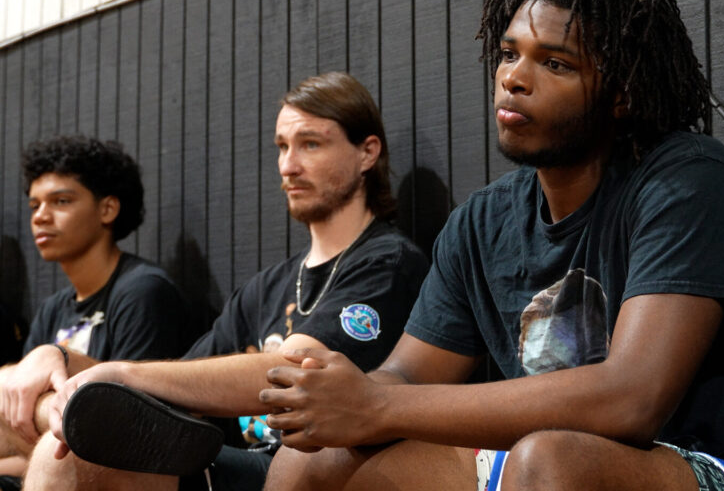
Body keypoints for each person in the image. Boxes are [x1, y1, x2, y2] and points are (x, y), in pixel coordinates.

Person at [255, 0, 724, 491]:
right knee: (308, 461)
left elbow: (631, 398)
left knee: (548, 462)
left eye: (556, 64)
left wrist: (377, 409)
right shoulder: (480, 221)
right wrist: (343, 394)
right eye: (509, 53)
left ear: (620, 94)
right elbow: (405, 376)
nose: (513, 78)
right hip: (536, 459)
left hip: (720, 464)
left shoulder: (687, 179)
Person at [33, 72, 430, 490]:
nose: (288, 165)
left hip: (319, 470)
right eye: (282, 147)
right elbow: (182, 382)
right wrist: (63, 366)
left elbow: (290, 371)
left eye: (310, 144)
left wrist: (124, 373)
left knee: (81, 454)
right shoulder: (266, 287)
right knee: (72, 445)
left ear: (367, 152)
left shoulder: (388, 263)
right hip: (238, 464)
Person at [0, 136, 192, 486]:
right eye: (34, 205)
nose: (41, 216)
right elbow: (21, 421)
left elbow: (141, 426)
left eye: (61, 201)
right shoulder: (53, 308)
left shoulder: (143, 292)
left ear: (108, 209)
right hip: (48, 455)